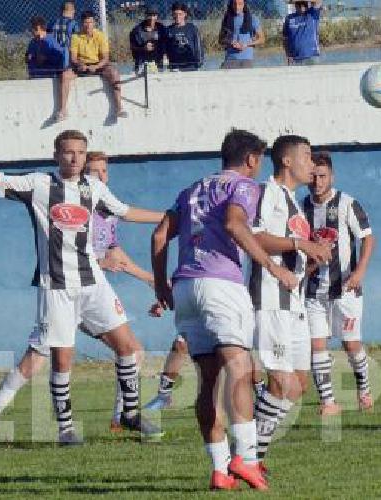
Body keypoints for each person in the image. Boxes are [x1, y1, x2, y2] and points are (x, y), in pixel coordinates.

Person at [0, 116, 166, 445]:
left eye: (81, 152)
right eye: (69, 152)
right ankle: (65, 429)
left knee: (129, 348)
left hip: (94, 284)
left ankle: (129, 414)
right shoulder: (39, 184)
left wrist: (170, 216)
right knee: (58, 359)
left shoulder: (95, 189)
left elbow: (127, 212)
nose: (75, 158)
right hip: (57, 288)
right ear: (56, 154)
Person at [151, 128, 298, 490]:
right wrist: (272, 265)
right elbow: (235, 223)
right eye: (259, 159)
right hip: (220, 284)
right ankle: (246, 458)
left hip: (185, 286)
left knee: (209, 381)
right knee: (240, 367)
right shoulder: (244, 186)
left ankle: (219, 470)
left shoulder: (192, 189)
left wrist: (160, 284)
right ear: (251, 159)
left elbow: (158, 235)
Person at [249, 135, 333, 472]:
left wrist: (312, 257)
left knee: (298, 385)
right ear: (287, 161)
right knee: (280, 382)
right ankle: (246, 454)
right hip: (270, 297)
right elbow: (252, 236)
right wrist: (301, 243)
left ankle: (253, 449)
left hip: (294, 299)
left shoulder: (294, 202)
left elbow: (292, 251)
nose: (312, 164)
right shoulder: (266, 192)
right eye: (308, 156)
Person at [302, 151, 376, 415]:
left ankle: (364, 390)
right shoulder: (302, 208)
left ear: (331, 176)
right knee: (317, 345)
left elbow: (368, 238)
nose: (317, 181)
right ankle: (328, 402)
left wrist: (359, 272)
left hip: (346, 291)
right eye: (312, 176)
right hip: (313, 292)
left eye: (322, 176)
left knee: (351, 345)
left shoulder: (347, 204)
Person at [59, 11, 128, 121]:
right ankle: (62, 110)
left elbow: (105, 58)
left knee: (114, 73)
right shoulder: (75, 37)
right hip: (82, 66)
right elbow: (73, 58)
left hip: (98, 65)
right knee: (65, 75)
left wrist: (96, 67)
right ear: (82, 24)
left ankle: (119, 108)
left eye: (90, 22)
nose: (88, 25)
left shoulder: (100, 36)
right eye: (85, 23)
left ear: (94, 23)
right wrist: (79, 64)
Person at [220, 0, 265, 69]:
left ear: (244, 4)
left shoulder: (252, 18)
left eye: (240, 4)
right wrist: (232, 43)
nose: (237, 7)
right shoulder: (227, 19)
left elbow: (262, 39)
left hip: (246, 60)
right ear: (231, 4)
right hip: (230, 59)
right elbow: (221, 39)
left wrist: (246, 44)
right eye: (235, 4)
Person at [164, 2, 204, 71]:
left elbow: (198, 47)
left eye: (180, 14)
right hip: (175, 66)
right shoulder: (168, 30)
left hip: (190, 65)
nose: (177, 17)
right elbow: (165, 48)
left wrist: (199, 62)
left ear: (185, 14)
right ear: (172, 14)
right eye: (175, 14)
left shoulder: (192, 28)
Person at [283, 0, 322, 65]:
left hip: (311, 55)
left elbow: (318, 1)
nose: (302, 6)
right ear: (296, 5)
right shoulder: (289, 18)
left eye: (304, 4)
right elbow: (285, 38)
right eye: (299, 4)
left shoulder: (312, 13)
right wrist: (288, 55)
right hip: (294, 58)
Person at [130, 6, 167, 73]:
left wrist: (162, 51)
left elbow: (166, 44)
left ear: (157, 16)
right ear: (146, 16)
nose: (152, 18)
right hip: (142, 63)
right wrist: (143, 48)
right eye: (149, 15)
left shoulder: (162, 29)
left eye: (154, 15)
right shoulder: (137, 30)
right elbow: (133, 48)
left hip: (158, 63)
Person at [49, 1, 80, 70]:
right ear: (72, 10)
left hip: (53, 53)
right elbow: (77, 41)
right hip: (68, 55)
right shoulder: (74, 24)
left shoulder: (52, 23)